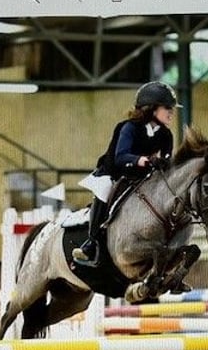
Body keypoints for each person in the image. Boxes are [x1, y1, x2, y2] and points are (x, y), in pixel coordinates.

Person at [72, 81, 179, 267]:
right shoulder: (129, 128)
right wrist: (144, 160)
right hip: (115, 172)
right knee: (104, 191)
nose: (171, 112)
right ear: (152, 109)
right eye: (167, 107)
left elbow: (168, 160)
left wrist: (166, 164)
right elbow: (121, 156)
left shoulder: (166, 135)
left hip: (143, 177)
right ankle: (92, 242)